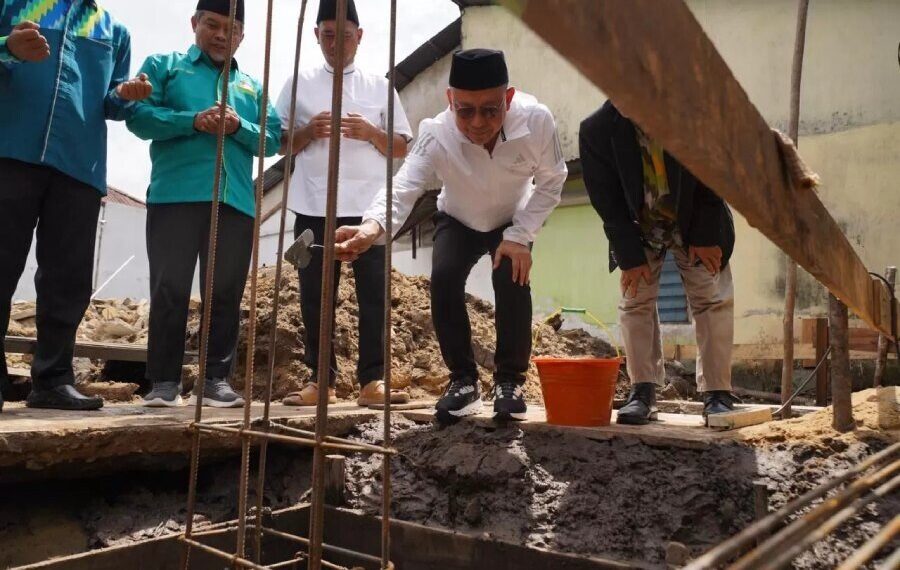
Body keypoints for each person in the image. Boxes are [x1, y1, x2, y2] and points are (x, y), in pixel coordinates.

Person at [335, 49, 567, 423]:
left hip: (511, 221)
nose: (478, 122)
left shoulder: (537, 121)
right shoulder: (434, 133)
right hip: (457, 216)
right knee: (443, 279)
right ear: (450, 101)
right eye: (465, 110)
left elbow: (553, 180)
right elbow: (404, 186)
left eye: (491, 110)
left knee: (511, 279)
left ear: (508, 98)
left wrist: (522, 234)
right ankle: (463, 381)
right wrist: (371, 226)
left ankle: (510, 382)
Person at [126, 0, 280, 408]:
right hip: (176, 196)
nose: (220, 35)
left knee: (225, 293)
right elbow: (138, 117)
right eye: (212, 25)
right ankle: (163, 383)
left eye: (231, 29)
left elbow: (272, 139)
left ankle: (215, 380)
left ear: (241, 36)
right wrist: (192, 120)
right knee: (170, 288)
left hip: (235, 203)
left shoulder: (252, 86)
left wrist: (237, 124)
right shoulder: (165, 65)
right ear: (195, 23)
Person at [0, 0, 151, 412]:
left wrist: (125, 93)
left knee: (68, 280)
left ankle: (52, 379)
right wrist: (8, 48)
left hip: (78, 164)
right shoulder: (16, 5)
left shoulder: (112, 30)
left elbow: (111, 103)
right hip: (10, 149)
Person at [276, 0, 413, 407]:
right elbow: (277, 142)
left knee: (373, 294)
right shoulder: (297, 83)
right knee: (316, 297)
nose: (337, 44)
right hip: (314, 204)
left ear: (360, 36)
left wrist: (372, 133)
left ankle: (373, 381)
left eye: (345, 35)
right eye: (328, 35)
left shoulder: (379, 86)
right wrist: (305, 132)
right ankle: (322, 382)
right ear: (316, 35)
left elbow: (403, 146)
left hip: (370, 209)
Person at [579, 100, 738, 425]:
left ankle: (717, 393)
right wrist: (629, 256)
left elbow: (713, 173)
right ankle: (643, 391)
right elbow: (607, 203)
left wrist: (706, 235)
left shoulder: (691, 113)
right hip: (639, 227)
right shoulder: (596, 130)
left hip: (695, 217)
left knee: (711, 297)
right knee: (634, 300)